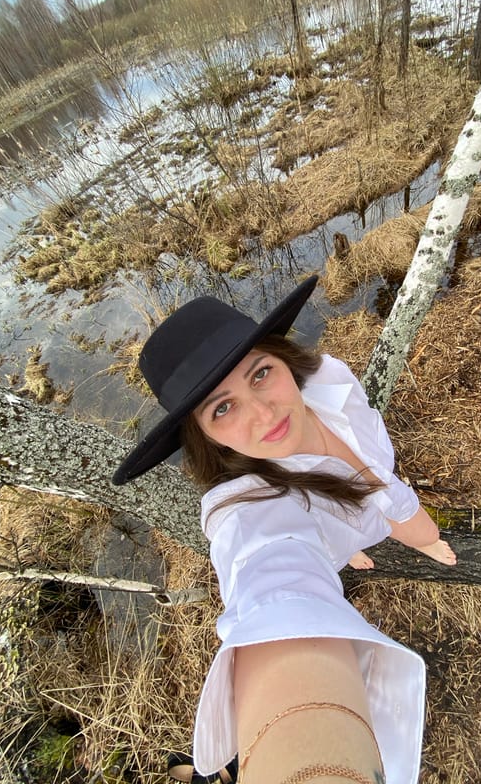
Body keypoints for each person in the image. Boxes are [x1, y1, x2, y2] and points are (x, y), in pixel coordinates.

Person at [113, 276, 456, 784]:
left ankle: (352, 547)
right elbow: (271, 580)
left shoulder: (329, 379)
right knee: (334, 549)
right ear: (204, 435)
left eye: (260, 374)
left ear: (281, 359)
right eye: (222, 407)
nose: (265, 413)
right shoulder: (249, 506)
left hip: (361, 527)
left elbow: (382, 479)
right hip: (326, 548)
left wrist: (424, 537)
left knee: (353, 539)